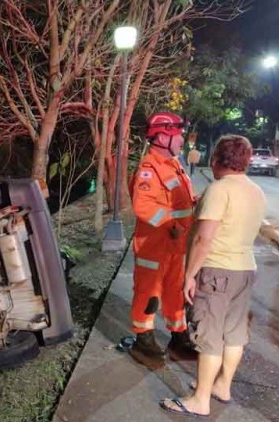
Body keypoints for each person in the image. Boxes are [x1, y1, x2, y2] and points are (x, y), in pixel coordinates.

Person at [160, 135, 266, 417]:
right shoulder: (256, 190)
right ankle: (222, 386)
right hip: (245, 269)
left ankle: (200, 400)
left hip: (216, 271)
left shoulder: (219, 190)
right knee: (233, 334)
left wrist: (189, 275)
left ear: (217, 158)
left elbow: (203, 240)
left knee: (208, 336)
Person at [128, 112, 198, 360]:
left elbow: (178, 202)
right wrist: (173, 224)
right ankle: (143, 338)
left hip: (175, 245)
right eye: (176, 134)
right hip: (154, 247)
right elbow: (143, 206)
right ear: (160, 137)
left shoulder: (174, 165)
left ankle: (179, 336)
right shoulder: (149, 168)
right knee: (149, 293)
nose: (181, 139)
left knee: (175, 292)